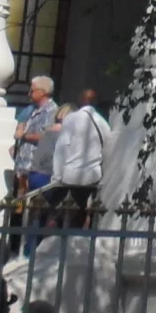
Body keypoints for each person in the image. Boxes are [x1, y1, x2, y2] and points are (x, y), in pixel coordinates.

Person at [36, 88, 108, 226]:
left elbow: (62, 148)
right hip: (91, 178)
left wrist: (56, 176)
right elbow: (107, 147)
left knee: (58, 216)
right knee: (79, 215)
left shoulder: (72, 118)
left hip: (69, 177)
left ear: (81, 100)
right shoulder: (102, 122)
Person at [9, 76, 59, 203]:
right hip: (24, 165)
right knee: (20, 201)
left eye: (32, 91)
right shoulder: (32, 109)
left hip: (37, 167)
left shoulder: (51, 111)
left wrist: (24, 136)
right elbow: (21, 122)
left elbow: (45, 135)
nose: (29, 94)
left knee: (35, 201)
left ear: (43, 92)